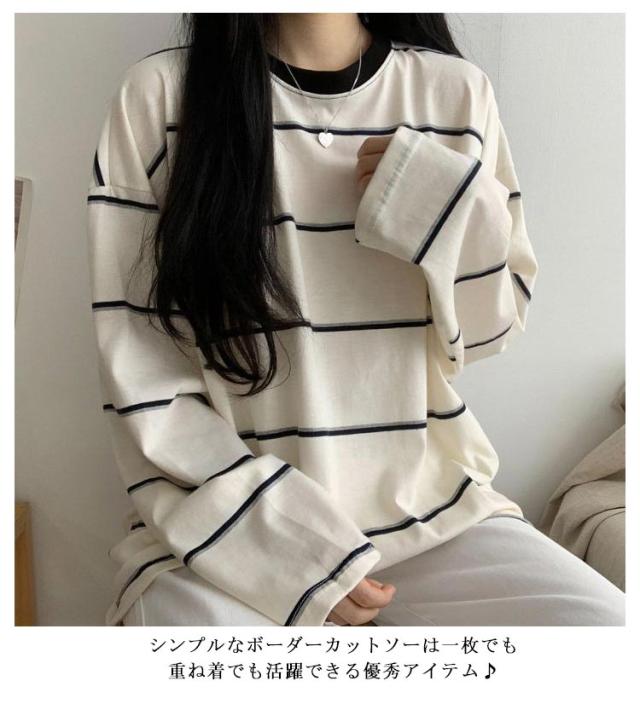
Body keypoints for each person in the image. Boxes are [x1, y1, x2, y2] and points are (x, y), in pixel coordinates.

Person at [86, 12, 625, 627]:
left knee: (608, 636)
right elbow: (143, 381)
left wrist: (445, 207)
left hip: (431, 516)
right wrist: (297, 552)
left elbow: (490, 331)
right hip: (226, 535)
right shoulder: (160, 97)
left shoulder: (454, 91)